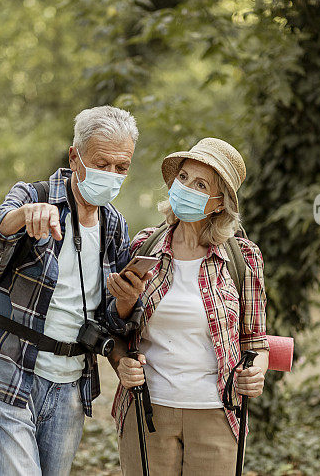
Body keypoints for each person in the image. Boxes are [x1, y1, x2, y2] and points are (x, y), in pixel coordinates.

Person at [0, 106, 149, 476]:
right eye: (102, 163)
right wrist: (24, 215)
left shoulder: (114, 225)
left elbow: (110, 318)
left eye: (121, 167)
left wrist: (126, 301)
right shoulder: (35, 194)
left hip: (71, 386)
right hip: (7, 369)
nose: (111, 175)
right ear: (75, 156)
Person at [106, 137, 270, 476]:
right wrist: (121, 361)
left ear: (220, 202)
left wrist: (258, 371)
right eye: (183, 178)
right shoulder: (144, 246)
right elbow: (117, 330)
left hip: (217, 414)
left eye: (201, 185)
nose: (186, 189)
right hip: (147, 410)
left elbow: (255, 341)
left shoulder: (243, 258)